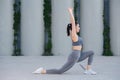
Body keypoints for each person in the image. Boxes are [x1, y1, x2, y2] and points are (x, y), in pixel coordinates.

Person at [33, 8, 96, 75]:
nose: (79, 28)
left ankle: (88, 69)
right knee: (60, 71)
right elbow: (72, 21)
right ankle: (42, 71)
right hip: (74, 56)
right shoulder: (74, 35)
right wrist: (71, 12)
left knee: (91, 52)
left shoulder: (77, 36)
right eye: (78, 26)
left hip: (79, 55)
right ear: (74, 27)